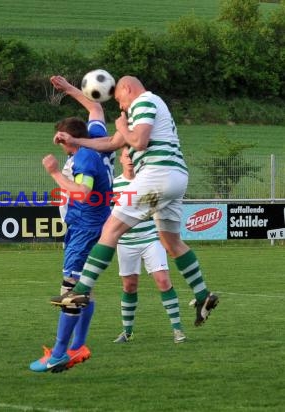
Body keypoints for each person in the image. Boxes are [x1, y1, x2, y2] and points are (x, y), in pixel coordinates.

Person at [51, 76, 219, 327]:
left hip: (157, 175)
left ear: (128, 89)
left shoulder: (144, 101)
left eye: (119, 99)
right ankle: (203, 294)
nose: (121, 107)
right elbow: (110, 142)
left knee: (111, 228)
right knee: (170, 240)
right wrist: (76, 141)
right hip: (175, 178)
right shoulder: (141, 111)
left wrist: (122, 125)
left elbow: (137, 141)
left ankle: (81, 291)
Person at [29, 116, 111, 373]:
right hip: (92, 225)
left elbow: (82, 192)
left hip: (85, 229)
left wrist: (53, 172)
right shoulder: (92, 147)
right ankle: (78, 346)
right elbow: (96, 107)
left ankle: (59, 353)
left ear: (66, 137)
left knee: (70, 291)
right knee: (85, 289)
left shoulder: (85, 156)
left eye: (60, 138)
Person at [112, 147, 186, 344]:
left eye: (133, 156)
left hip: (151, 238)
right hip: (125, 243)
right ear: (120, 159)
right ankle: (127, 332)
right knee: (129, 286)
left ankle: (178, 330)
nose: (129, 160)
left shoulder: (147, 184)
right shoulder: (113, 185)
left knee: (163, 280)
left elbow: (153, 209)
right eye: (126, 156)